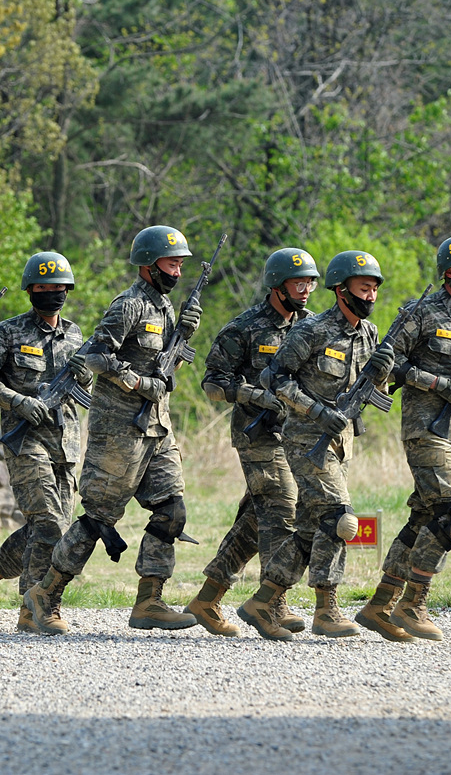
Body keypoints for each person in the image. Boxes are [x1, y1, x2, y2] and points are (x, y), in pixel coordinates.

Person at [22, 225, 204, 635]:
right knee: (100, 517)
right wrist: (138, 382)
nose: (177, 271)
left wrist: (184, 337)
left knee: (172, 510)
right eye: (172, 263)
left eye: (180, 265)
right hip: (119, 429)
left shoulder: (164, 308)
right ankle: (45, 593)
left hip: (158, 427)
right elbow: (96, 356)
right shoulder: (129, 305)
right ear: (148, 263)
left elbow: (165, 369)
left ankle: (150, 601)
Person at [237, 251, 393, 640]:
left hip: (340, 445)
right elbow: (276, 378)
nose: (371, 295)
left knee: (309, 530)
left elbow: (374, 389)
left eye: (374, 288)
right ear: (341, 291)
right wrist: (317, 411)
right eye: (363, 288)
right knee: (340, 519)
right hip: (306, 439)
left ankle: (263, 600)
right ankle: (327, 609)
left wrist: (384, 371)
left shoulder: (369, 334)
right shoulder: (313, 330)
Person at [362, 234, 451, 642]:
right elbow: (387, 363)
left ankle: (379, 605)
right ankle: (413, 602)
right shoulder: (420, 314)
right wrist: (437, 383)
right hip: (425, 430)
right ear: (450, 272)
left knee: (424, 517)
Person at [185, 248, 318, 636]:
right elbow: (212, 383)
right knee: (281, 507)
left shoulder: (312, 326)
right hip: (257, 436)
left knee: (256, 520)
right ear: (277, 286)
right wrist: (253, 395)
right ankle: (271, 603)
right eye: (298, 282)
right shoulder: (243, 328)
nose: (306, 289)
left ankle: (207, 598)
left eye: (309, 281)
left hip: (297, 437)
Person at [0, 251, 90, 633]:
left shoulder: (75, 334)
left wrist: (84, 375)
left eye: (57, 287)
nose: (51, 292)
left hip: (65, 444)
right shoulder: (8, 332)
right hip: (26, 442)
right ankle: (37, 609)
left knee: (50, 531)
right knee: (48, 524)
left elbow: (83, 389)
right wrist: (17, 401)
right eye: (42, 287)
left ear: (67, 290)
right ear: (30, 290)